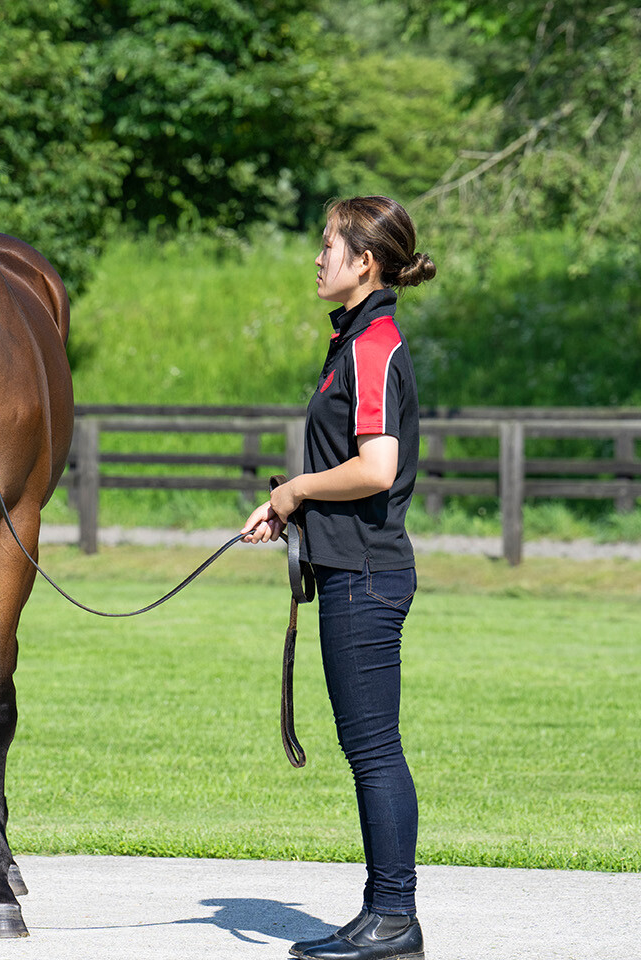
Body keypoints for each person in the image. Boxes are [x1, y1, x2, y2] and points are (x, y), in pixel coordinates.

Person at [241, 196, 436, 960]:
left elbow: (376, 468)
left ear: (367, 262)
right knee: (370, 749)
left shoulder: (372, 342)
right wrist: (287, 509)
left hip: (366, 576)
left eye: (330, 245)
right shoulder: (354, 340)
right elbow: (350, 468)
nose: (318, 257)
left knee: (374, 750)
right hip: (351, 567)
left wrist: (294, 490)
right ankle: (380, 909)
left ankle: (395, 917)